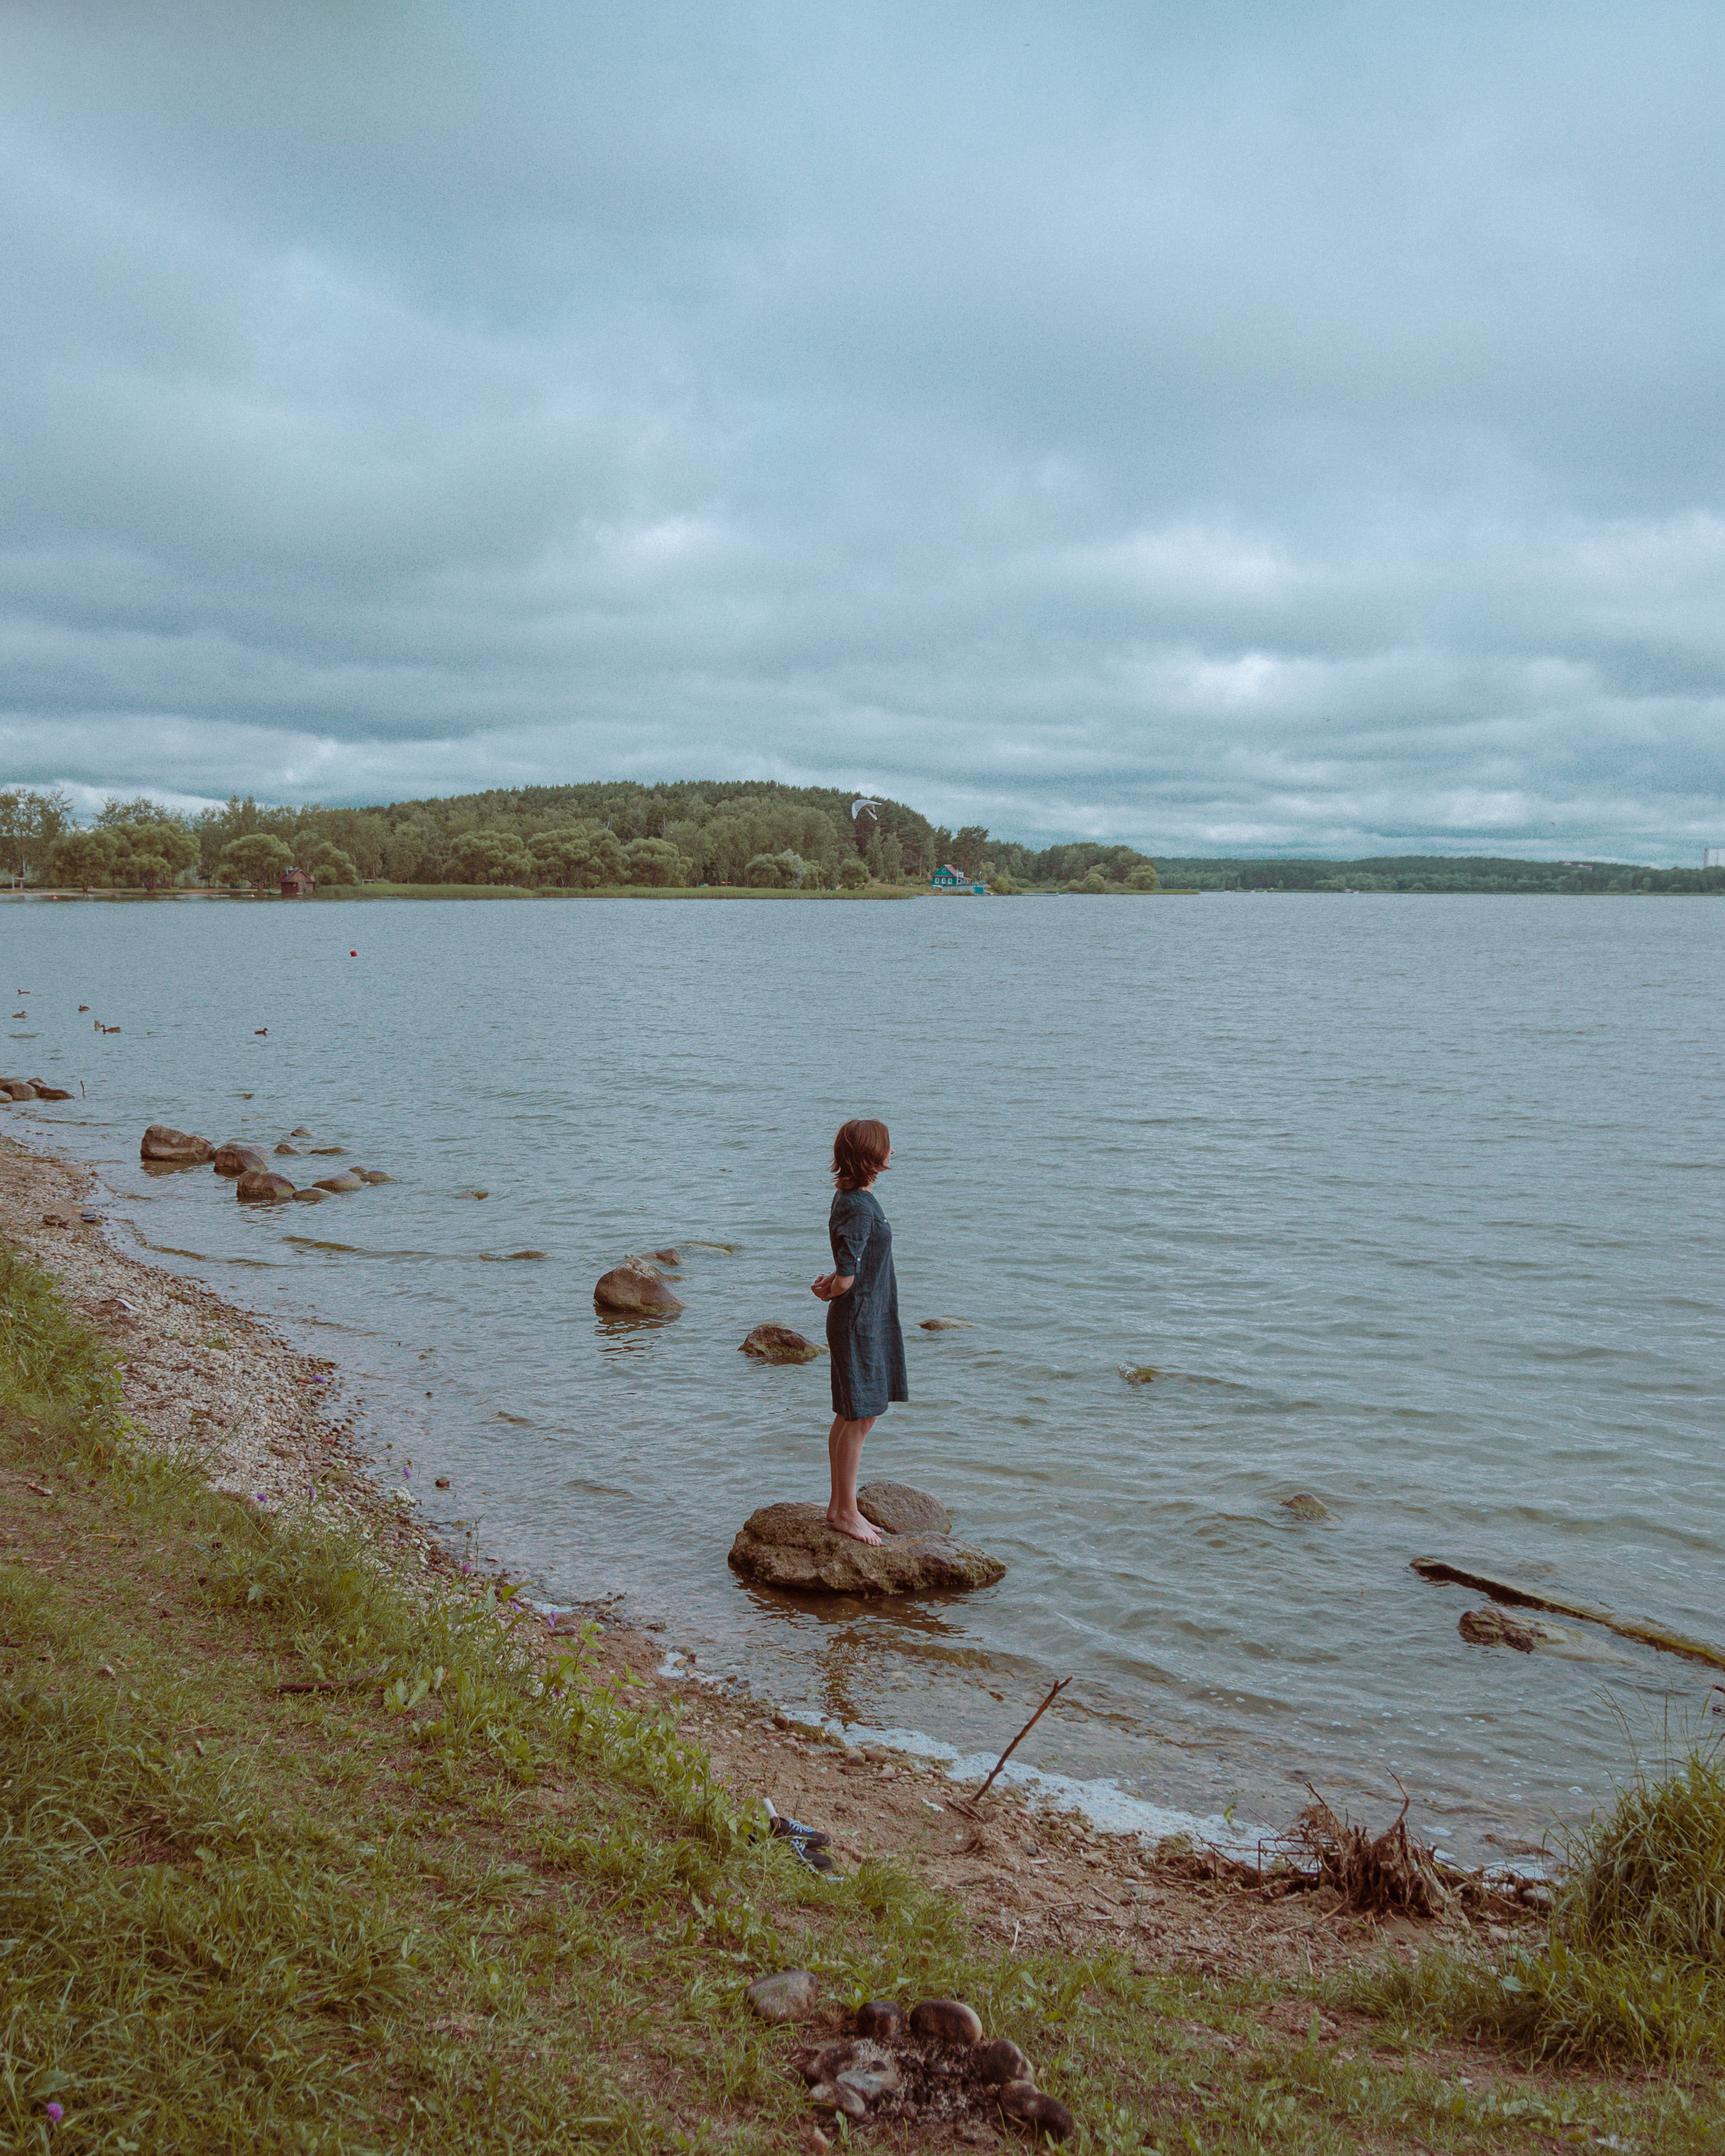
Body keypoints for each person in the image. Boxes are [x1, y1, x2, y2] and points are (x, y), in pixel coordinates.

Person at [810, 1116, 908, 1544]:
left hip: (865, 1315)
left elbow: (850, 1261)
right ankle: (847, 1512)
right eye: (887, 1145)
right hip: (859, 1320)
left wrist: (834, 1278)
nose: (894, 1152)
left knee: (851, 1413)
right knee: (861, 1414)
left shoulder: (854, 1198)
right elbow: (849, 1276)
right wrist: (835, 1286)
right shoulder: (858, 1204)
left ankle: (838, 1508)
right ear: (870, 1155)